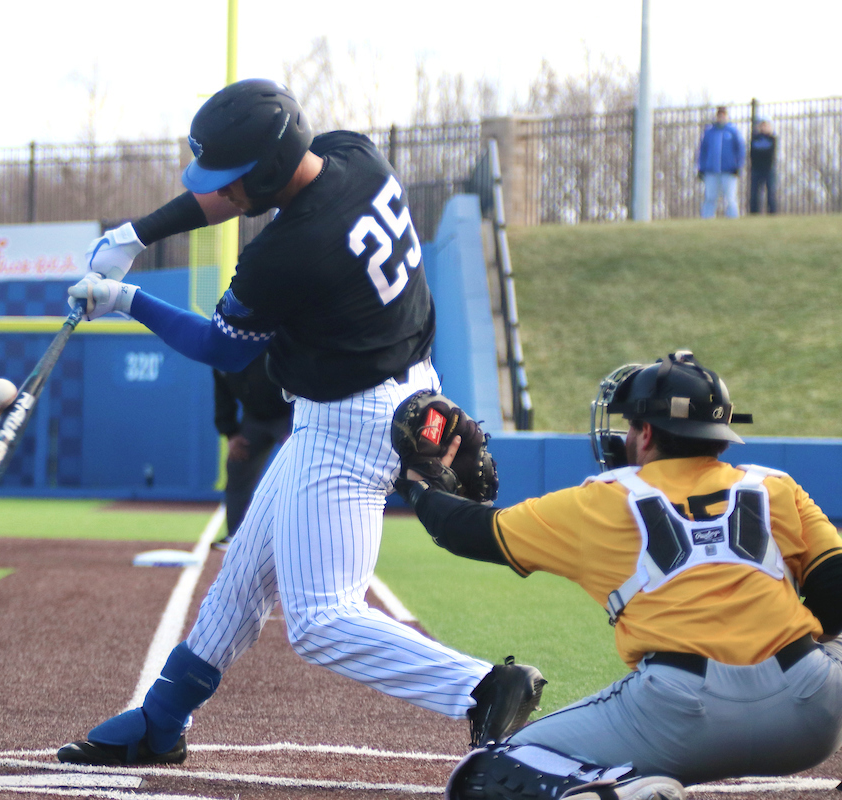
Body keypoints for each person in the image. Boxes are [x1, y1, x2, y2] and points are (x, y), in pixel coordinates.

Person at [58, 78, 546, 766]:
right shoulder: (354, 154)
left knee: (321, 621)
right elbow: (234, 194)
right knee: (242, 580)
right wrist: (138, 233)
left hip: (350, 422)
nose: (223, 194)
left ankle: (481, 688)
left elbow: (222, 348)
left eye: (233, 180)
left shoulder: (288, 251)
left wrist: (127, 299)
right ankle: (160, 723)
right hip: (399, 393)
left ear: (266, 172)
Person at [393, 351, 842, 800]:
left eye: (631, 425)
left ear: (646, 433)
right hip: (810, 716)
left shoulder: (608, 499)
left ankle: (623, 794)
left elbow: (468, 531)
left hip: (681, 715)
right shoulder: (775, 487)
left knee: (486, 775)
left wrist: (421, 484)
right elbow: (837, 592)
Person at [212, 358, 292, 550]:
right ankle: (236, 535)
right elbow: (223, 397)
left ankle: (303, 534)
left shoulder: (267, 346)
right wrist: (231, 433)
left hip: (288, 415)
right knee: (237, 464)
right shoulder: (222, 358)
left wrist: (298, 422)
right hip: (254, 419)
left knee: (302, 466)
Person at [697, 107, 746, 218]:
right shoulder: (709, 133)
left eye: (723, 115)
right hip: (711, 171)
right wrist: (701, 168)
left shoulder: (733, 132)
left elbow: (740, 150)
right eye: (719, 115)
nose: (721, 118)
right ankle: (707, 219)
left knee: (730, 197)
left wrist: (738, 166)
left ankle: (733, 219)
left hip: (729, 171)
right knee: (710, 197)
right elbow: (703, 151)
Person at [749, 118, 778, 214]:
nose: (764, 128)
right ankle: (753, 213)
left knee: (771, 193)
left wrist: (761, 152)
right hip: (756, 168)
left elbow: (770, 153)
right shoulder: (755, 138)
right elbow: (752, 153)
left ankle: (772, 213)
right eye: (762, 126)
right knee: (754, 193)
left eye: (766, 126)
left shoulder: (772, 139)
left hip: (768, 168)